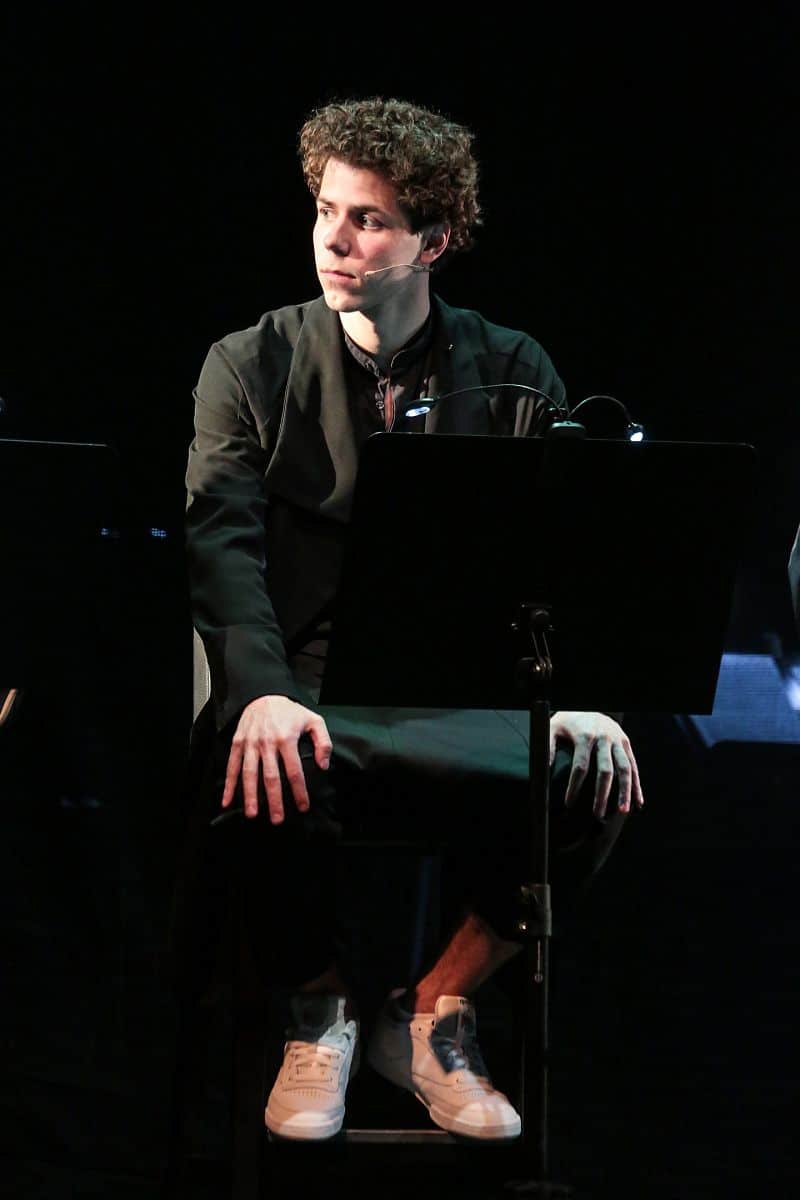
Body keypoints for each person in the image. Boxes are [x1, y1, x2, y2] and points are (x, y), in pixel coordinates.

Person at [183, 96, 644, 1144]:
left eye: (370, 219)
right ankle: (320, 1011)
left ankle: (434, 1008)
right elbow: (222, 548)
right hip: (306, 675)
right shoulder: (248, 361)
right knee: (258, 756)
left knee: (596, 770)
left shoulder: (512, 366)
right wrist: (260, 691)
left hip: (460, 681)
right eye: (325, 211)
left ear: (432, 241)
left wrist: (576, 697)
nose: (336, 240)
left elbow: (561, 556)